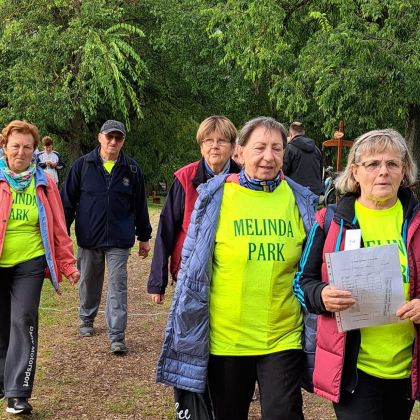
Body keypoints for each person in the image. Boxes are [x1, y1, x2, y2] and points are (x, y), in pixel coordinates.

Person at [157, 116, 318, 419]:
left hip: (282, 338)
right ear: (239, 153)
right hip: (227, 340)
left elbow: (312, 272)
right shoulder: (214, 198)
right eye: (259, 148)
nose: (268, 157)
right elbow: (192, 270)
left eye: (276, 148)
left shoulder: (301, 201)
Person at [294, 129, 420, 419]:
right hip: (353, 368)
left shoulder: (416, 220)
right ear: (355, 171)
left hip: (404, 367)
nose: (383, 172)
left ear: (404, 171)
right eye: (373, 164)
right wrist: (323, 295)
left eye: (392, 164)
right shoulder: (331, 220)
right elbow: (303, 283)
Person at [0, 120, 80, 415]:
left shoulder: (44, 183)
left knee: (23, 320)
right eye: (15, 146)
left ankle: (17, 392)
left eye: (27, 147)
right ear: (5, 147)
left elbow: (59, 227)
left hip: (30, 262)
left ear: (35, 151)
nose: (20, 152)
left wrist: (68, 264)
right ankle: (2, 381)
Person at [61, 120, 152, 355]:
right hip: (89, 237)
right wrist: (60, 238)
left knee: (118, 286)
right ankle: (86, 318)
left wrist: (144, 236)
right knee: (89, 281)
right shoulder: (82, 166)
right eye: (109, 137)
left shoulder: (132, 170)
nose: (113, 142)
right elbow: (67, 204)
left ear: (123, 141)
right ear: (99, 137)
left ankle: (117, 335)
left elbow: (140, 205)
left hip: (120, 240)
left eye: (118, 138)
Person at [147, 115, 240, 304]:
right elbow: (166, 231)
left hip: (233, 272)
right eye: (209, 141)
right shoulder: (185, 178)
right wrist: (158, 282)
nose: (215, 146)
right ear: (201, 146)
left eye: (222, 140)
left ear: (232, 147)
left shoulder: (244, 180)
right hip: (190, 271)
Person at [283, 121, 323, 195]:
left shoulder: (290, 148)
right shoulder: (316, 149)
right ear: (303, 132)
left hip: (296, 191)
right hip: (315, 191)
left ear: (291, 133)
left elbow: (283, 171)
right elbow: (320, 171)